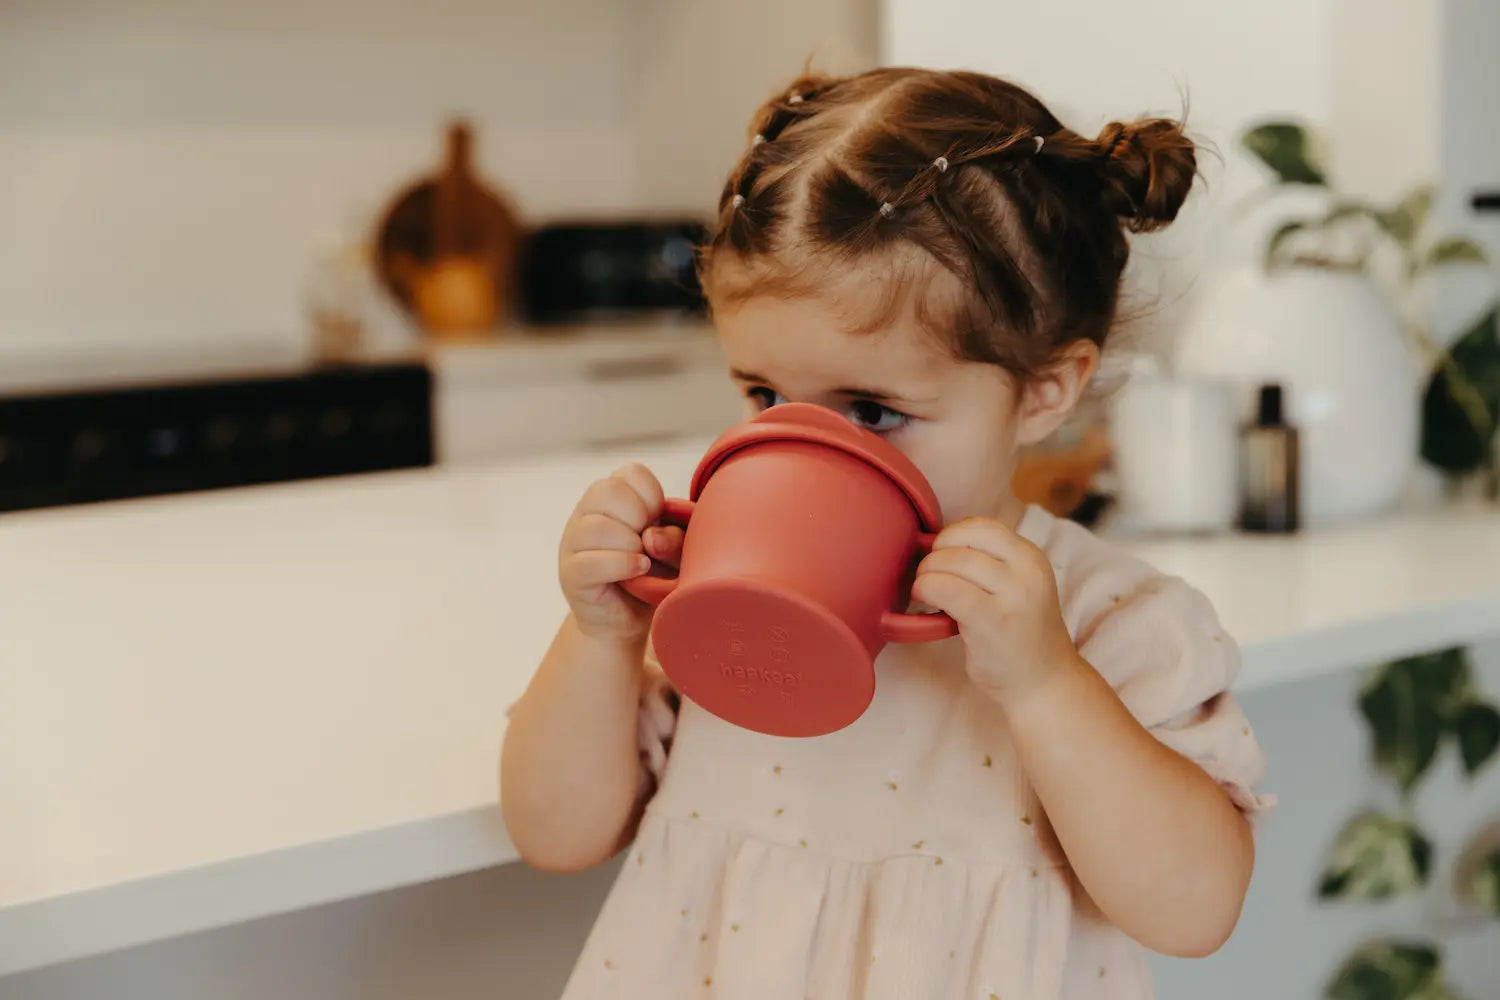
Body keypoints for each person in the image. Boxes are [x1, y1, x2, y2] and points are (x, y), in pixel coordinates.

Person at [501, 67, 1271, 1000]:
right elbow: (555, 833)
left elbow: (1195, 912)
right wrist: (600, 636)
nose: (803, 441)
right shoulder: (716, 578)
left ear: (1044, 391)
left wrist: (1046, 682)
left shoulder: (1109, 619)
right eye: (764, 395)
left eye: (871, 409)